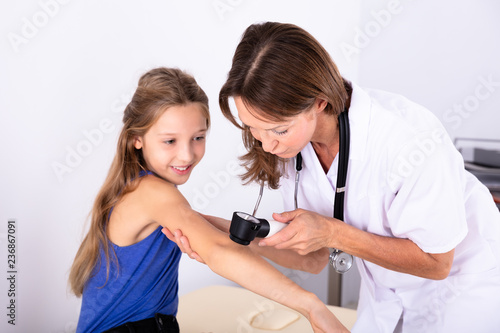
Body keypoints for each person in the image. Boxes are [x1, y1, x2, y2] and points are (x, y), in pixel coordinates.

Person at [167, 22, 500, 332]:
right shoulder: (290, 149)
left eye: (278, 130)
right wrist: (229, 234)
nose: (266, 144)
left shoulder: (408, 140)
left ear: (319, 102)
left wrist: (332, 233)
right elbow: (312, 260)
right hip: (385, 295)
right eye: (253, 129)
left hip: (462, 291)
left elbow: (437, 262)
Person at [68, 67, 349, 333]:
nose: (187, 155)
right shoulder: (152, 192)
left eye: (198, 137)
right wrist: (311, 306)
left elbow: (312, 263)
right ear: (136, 139)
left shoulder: (145, 192)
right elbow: (219, 251)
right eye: (170, 141)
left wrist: (228, 231)